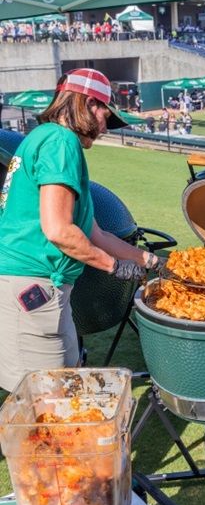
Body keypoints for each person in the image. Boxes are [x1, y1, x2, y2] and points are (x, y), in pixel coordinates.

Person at [0, 68, 164, 392]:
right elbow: (59, 230)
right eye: (106, 115)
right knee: (49, 402)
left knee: (66, 384)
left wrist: (151, 262)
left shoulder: (42, 138)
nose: (105, 127)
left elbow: (95, 235)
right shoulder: (60, 141)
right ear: (89, 104)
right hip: (32, 289)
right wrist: (115, 268)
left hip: (44, 288)